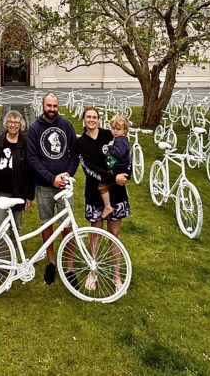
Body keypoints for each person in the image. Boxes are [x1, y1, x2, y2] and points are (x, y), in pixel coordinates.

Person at [76, 106, 130, 291]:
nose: (91, 120)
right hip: (94, 191)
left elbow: (125, 158)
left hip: (116, 192)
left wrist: (125, 175)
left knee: (114, 235)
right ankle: (93, 272)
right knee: (95, 235)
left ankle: (116, 275)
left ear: (98, 119)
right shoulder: (80, 143)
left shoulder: (110, 135)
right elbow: (88, 169)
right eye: (88, 117)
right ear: (83, 120)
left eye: (94, 117)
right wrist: (112, 177)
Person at [26, 92, 78, 285]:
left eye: (55, 106)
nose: (52, 109)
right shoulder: (34, 129)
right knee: (46, 224)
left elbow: (75, 153)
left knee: (67, 225)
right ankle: (50, 262)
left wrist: (67, 175)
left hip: (64, 186)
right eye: (49, 105)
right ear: (43, 105)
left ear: (58, 106)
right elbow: (32, 159)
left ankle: (70, 266)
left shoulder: (67, 126)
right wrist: (51, 178)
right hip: (43, 186)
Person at [0, 110, 34, 231]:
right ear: (6, 123)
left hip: (18, 191)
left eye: (16, 122)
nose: (13, 125)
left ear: (21, 125)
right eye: (10, 122)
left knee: (16, 228)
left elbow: (30, 171)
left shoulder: (26, 143)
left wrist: (29, 196)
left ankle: (14, 248)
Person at [97, 114, 132, 219]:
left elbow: (118, 154)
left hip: (119, 169)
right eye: (113, 128)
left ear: (124, 130)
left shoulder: (122, 141)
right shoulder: (118, 139)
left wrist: (110, 147)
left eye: (118, 129)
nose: (115, 131)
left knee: (102, 186)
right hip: (117, 168)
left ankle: (108, 206)